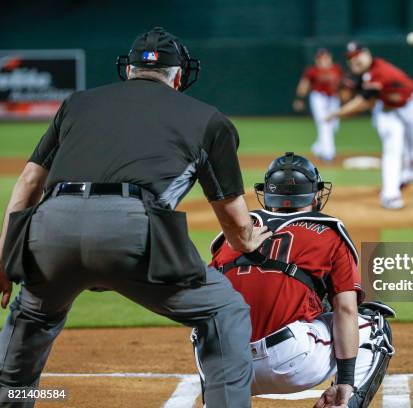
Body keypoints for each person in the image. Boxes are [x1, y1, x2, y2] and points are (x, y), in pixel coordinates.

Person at [0, 27, 271, 407]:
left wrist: (5, 259)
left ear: (128, 70)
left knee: (32, 319)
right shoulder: (209, 120)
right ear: (178, 75)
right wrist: (250, 242)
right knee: (223, 309)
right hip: (131, 232)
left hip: (51, 227)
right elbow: (234, 220)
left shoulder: (77, 103)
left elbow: (29, 182)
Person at [194, 152, 396, 407]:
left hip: (225, 368)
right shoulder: (328, 231)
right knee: (373, 324)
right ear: (314, 194)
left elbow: (206, 302)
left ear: (267, 193)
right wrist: (345, 379)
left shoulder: (232, 233)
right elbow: (345, 309)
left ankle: (217, 401)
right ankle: (343, 402)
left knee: (208, 323)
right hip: (288, 363)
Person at [326, 42, 413, 210]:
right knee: (393, 148)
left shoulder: (379, 72)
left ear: (367, 54)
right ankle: (391, 194)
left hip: (412, 104)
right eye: (351, 58)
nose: (354, 60)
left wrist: (336, 114)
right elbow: (364, 94)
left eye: (357, 55)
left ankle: (408, 174)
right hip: (387, 110)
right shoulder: (366, 74)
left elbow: (362, 104)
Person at [293, 49, 344, 162]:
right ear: (317, 60)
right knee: (324, 123)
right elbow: (304, 84)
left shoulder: (337, 69)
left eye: (326, 58)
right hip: (319, 98)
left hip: (333, 98)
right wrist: (300, 98)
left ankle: (317, 148)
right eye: (321, 58)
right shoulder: (312, 71)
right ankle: (328, 154)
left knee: (334, 126)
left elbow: (342, 84)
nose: (324, 60)